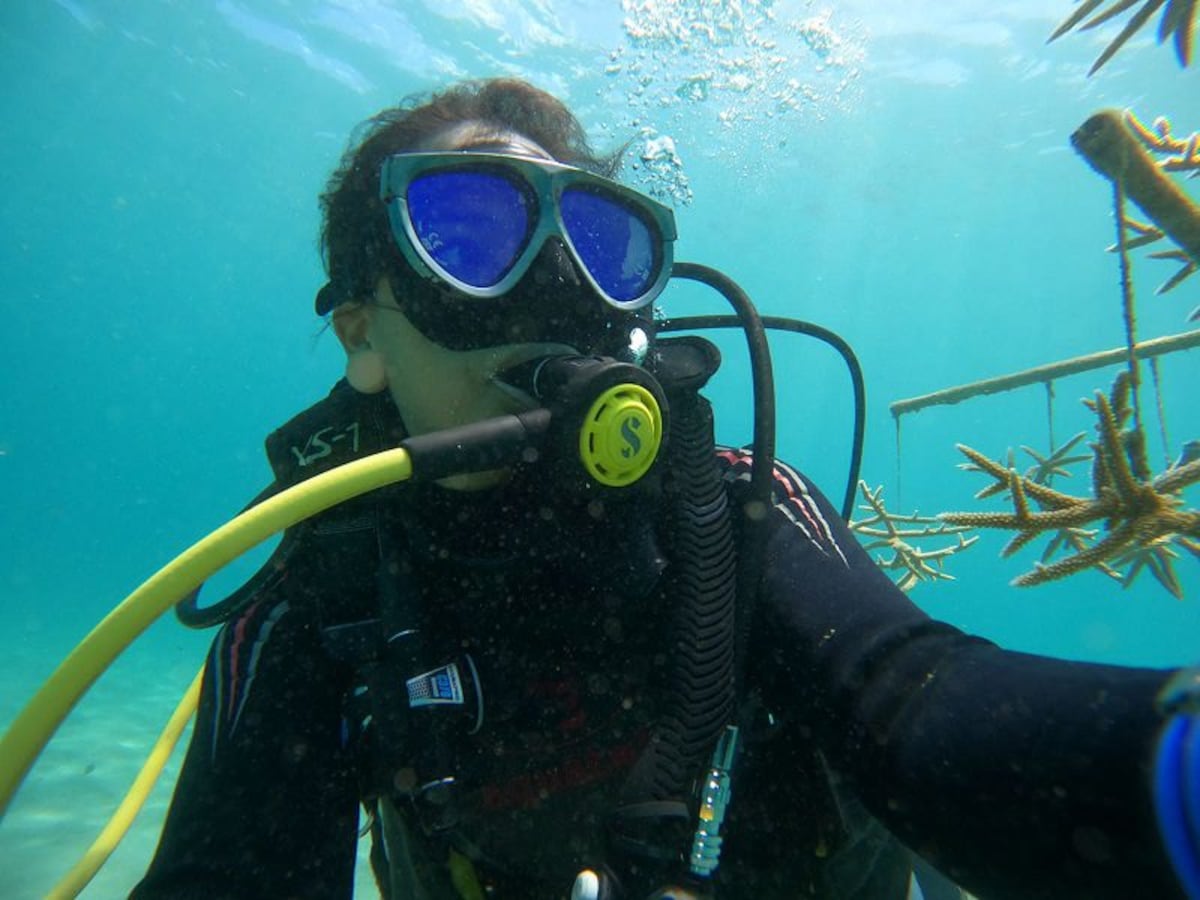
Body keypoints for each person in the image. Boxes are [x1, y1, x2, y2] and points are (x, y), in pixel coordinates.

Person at [130, 78, 1195, 900]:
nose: (554, 284)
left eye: (598, 242)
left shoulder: (734, 511)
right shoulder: (326, 600)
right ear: (363, 332)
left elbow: (921, 708)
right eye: (468, 233)